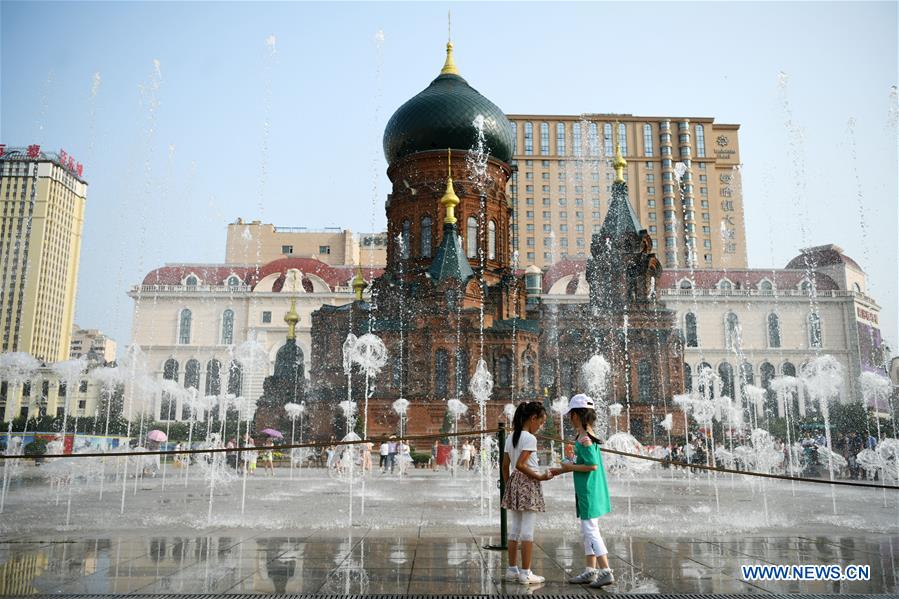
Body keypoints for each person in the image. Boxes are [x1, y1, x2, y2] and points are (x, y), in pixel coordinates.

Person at [550, 394, 614, 588]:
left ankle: (606, 571)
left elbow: (592, 465)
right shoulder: (584, 435)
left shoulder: (585, 438)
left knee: (590, 530)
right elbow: (583, 462)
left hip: (588, 490)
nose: (569, 418)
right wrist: (562, 468)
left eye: (571, 414)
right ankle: (590, 570)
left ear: (577, 415)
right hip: (586, 488)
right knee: (587, 530)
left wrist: (569, 467)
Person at [501, 401, 553, 585]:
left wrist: (509, 487)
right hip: (528, 483)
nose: (541, 426)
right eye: (541, 421)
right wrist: (540, 477)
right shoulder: (530, 439)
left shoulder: (511, 437)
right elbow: (521, 465)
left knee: (515, 529)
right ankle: (526, 573)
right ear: (533, 418)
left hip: (515, 482)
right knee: (528, 531)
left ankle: (512, 569)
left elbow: (505, 466)